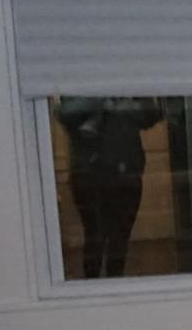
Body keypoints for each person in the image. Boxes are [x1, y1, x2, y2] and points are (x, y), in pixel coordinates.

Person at [53, 97, 164, 278]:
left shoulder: (121, 86)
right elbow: (64, 113)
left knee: (118, 239)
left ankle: (111, 285)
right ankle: (95, 288)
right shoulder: (79, 84)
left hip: (123, 173)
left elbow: (153, 114)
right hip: (92, 175)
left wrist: (122, 100)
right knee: (96, 237)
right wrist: (103, 100)